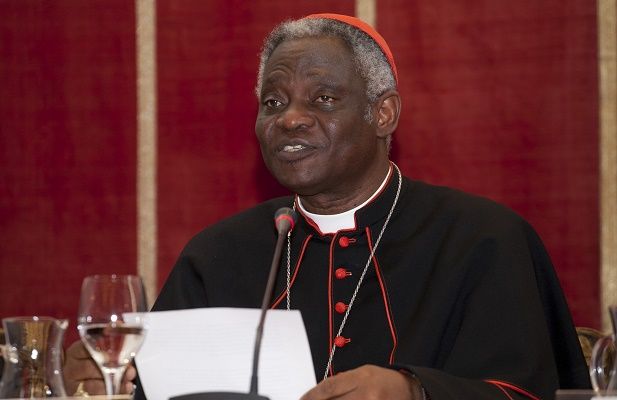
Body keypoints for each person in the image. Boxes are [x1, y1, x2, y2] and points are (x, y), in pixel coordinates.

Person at [63, 13, 590, 400]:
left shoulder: (484, 240)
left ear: (383, 114)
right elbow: (157, 387)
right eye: (273, 102)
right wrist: (103, 382)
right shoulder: (218, 254)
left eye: (323, 99)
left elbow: (532, 393)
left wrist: (415, 391)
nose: (290, 119)